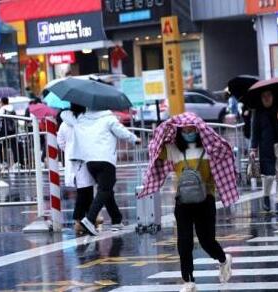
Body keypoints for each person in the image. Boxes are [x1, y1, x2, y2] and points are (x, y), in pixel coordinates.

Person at [139, 113, 238, 292]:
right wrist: (166, 126)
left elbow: (226, 149)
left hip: (205, 200)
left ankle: (224, 259)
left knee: (206, 240)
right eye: (184, 129)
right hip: (183, 201)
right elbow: (153, 148)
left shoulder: (210, 148)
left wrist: (211, 134)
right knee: (184, 242)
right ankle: (188, 281)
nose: (188, 132)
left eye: (192, 129)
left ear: (200, 130)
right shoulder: (174, 149)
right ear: (179, 131)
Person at [61, 104, 140, 235]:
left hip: (90, 161)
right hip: (105, 159)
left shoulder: (82, 119)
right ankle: (90, 219)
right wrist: (135, 139)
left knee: (106, 189)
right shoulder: (109, 118)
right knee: (105, 189)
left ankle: (116, 219)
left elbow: (64, 115)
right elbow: (122, 132)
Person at [56, 109, 95, 235]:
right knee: (85, 190)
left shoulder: (63, 124)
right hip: (84, 158)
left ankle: (87, 218)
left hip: (72, 160)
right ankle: (80, 219)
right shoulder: (85, 122)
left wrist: (68, 149)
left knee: (83, 190)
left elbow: (60, 142)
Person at [0, 97, 19, 168]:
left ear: (2, 102)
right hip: (13, 130)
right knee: (14, 146)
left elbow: (0, 119)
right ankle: (16, 162)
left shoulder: (2, 109)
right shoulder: (12, 109)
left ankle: (5, 162)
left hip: (4, 131)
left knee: (3, 146)